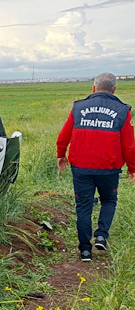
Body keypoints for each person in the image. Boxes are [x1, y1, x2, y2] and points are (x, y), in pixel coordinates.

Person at [56, 72, 135, 262]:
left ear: (93, 88)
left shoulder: (78, 107)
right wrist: (132, 168)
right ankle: (101, 236)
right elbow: (129, 145)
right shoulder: (123, 111)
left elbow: (63, 136)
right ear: (114, 89)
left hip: (81, 168)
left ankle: (85, 250)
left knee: (83, 206)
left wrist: (61, 155)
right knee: (109, 200)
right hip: (109, 169)